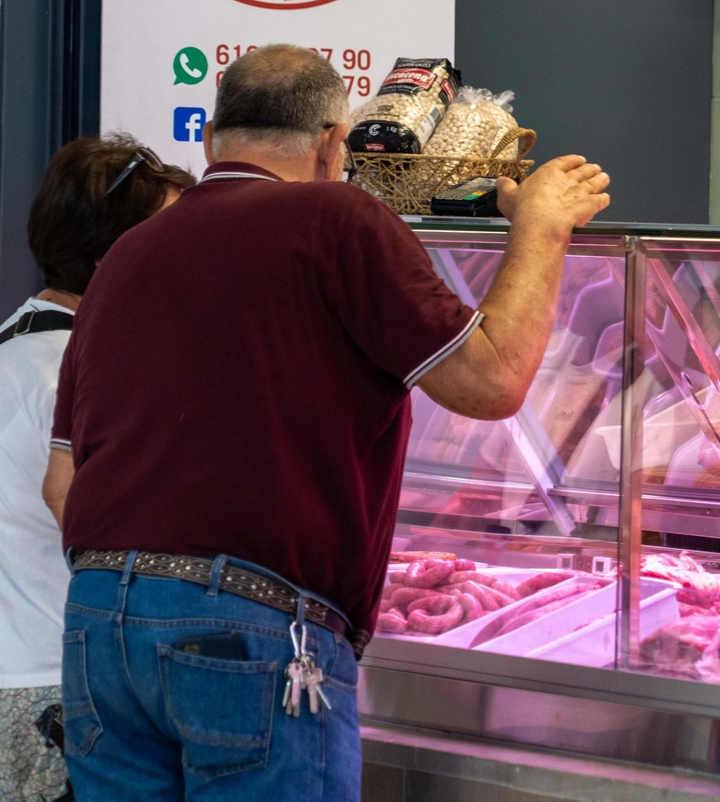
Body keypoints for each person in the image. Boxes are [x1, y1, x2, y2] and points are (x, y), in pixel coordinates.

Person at [49, 44, 609, 800]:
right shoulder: (337, 217)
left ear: (211, 141)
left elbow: (62, 481)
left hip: (99, 623)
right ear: (330, 143)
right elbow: (493, 379)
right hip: (247, 625)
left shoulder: (125, 256)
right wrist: (541, 226)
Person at [0, 135, 193, 802]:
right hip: (69, 691)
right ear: (114, 255)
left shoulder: (25, 344)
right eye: (164, 240)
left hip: (43, 679)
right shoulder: (64, 367)